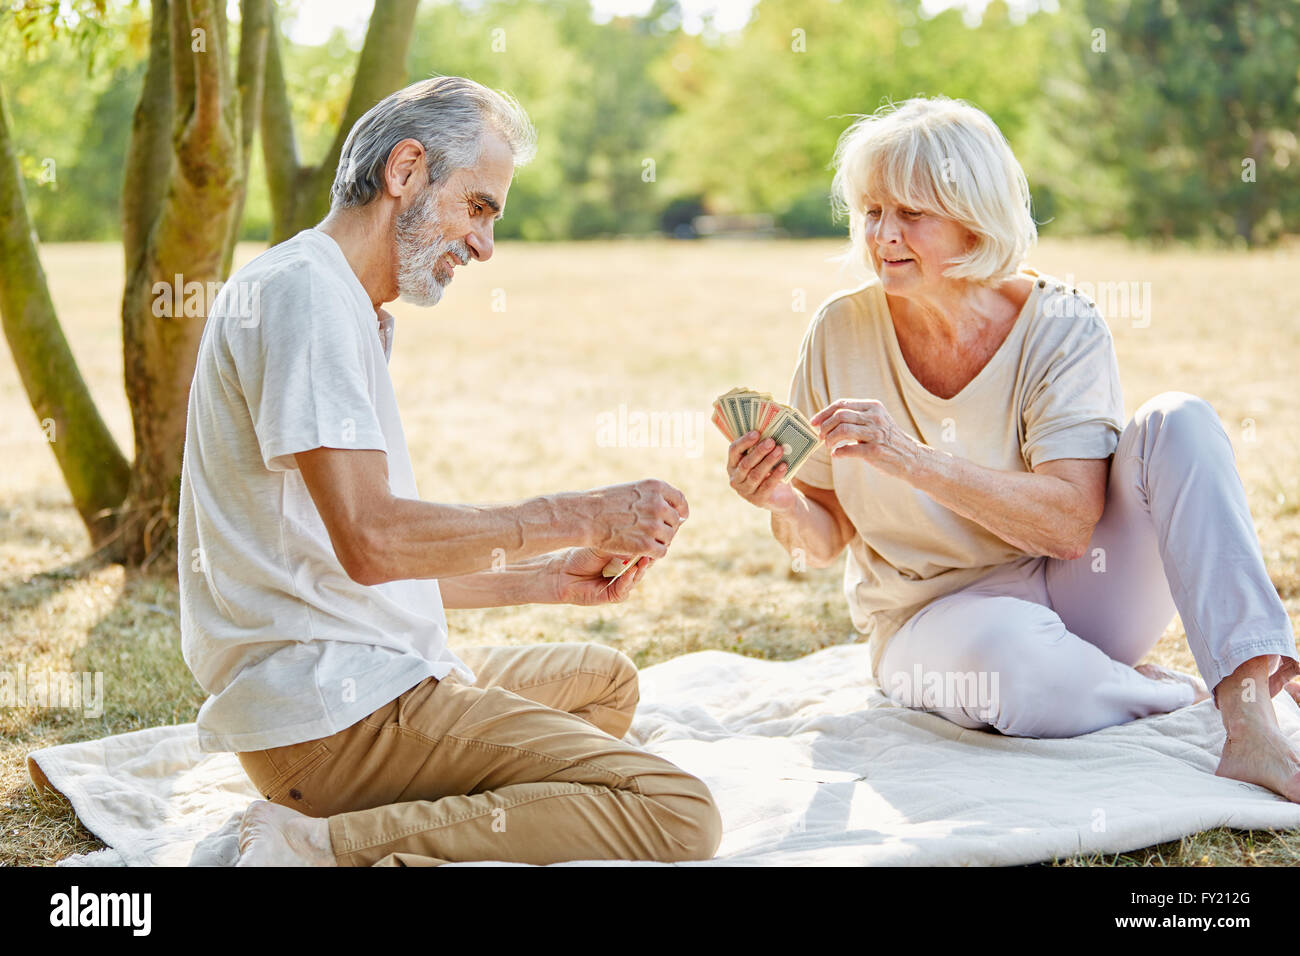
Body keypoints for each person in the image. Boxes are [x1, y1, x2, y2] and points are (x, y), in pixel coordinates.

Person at [177, 76, 721, 866]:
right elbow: (372, 542)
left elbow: (341, 562)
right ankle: (322, 843)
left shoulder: (346, 306)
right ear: (405, 172)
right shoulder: (305, 297)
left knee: (605, 684)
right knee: (677, 812)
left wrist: (541, 577)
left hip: (372, 670)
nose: (484, 245)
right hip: (331, 717)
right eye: (479, 207)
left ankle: (446, 810)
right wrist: (581, 513)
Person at [725, 96, 1300, 801]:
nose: (883, 235)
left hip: (1075, 588)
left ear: (975, 217)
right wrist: (780, 499)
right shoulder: (839, 331)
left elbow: (1066, 525)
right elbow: (822, 537)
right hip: (930, 622)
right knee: (1005, 660)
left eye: (912, 213)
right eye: (872, 211)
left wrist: (911, 457)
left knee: (1181, 422)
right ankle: (1152, 693)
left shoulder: (1060, 324)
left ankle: (1249, 722)